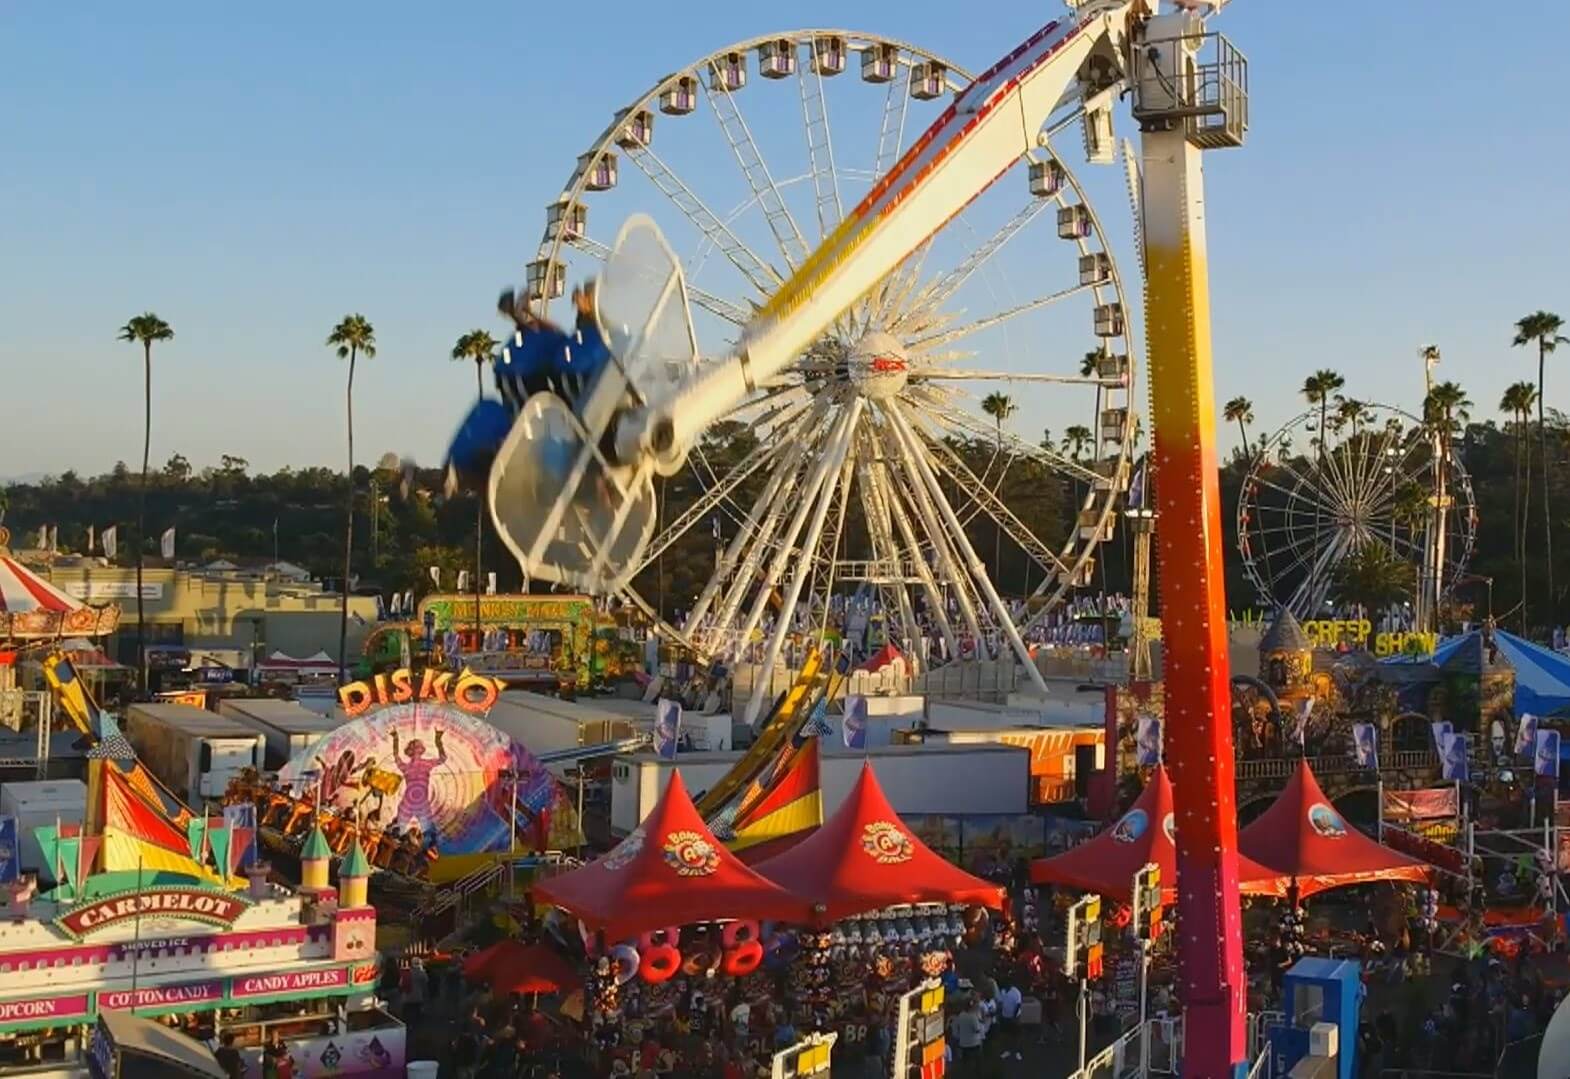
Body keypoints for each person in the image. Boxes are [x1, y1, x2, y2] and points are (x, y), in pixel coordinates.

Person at [445, 283, 611, 496]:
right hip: (558, 389)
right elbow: (551, 335)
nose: (577, 296)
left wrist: (524, 314)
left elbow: (569, 334)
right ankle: (472, 466)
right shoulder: (573, 340)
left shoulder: (600, 331)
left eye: (587, 295)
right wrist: (523, 315)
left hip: (581, 393)